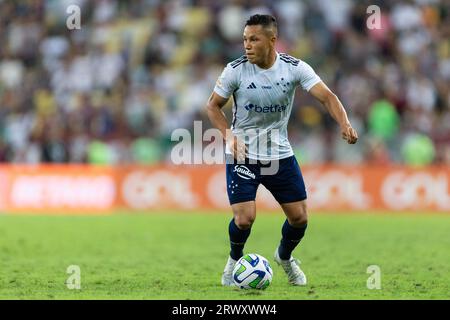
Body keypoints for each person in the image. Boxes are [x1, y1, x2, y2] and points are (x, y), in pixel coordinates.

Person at [206, 14, 358, 286]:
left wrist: (345, 123)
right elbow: (212, 106)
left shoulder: (294, 68)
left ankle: (285, 257)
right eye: (244, 40)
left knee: (299, 218)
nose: (247, 45)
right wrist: (229, 136)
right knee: (244, 219)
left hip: (279, 154)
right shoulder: (235, 70)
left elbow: (328, 97)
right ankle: (234, 260)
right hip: (244, 154)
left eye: (254, 39)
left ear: (272, 40)